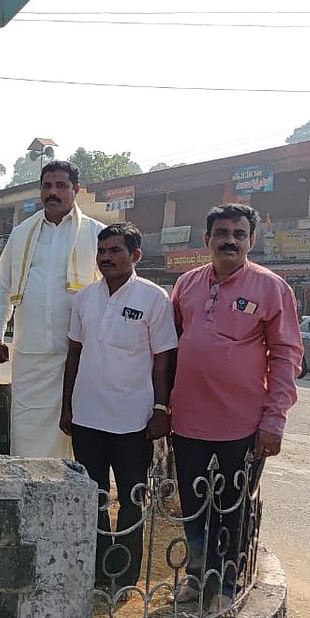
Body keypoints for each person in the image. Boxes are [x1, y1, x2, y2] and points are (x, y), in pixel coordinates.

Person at [169, 203, 302, 609]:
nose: (230, 240)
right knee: (192, 506)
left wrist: (273, 421)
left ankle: (226, 585)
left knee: (233, 508)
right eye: (222, 232)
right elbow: (170, 347)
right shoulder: (187, 284)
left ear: (251, 240)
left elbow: (286, 355)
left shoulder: (271, 287)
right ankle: (195, 578)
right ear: (207, 240)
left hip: (243, 423)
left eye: (239, 233)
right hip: (187, 419)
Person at [60, 223, 177, 595]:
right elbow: (74, 354)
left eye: (115, 250)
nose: (107, 257)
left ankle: (123, 577)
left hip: (133, 420)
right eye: (102, 251)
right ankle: (96, 570)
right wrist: (67, 408)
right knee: (92, 497)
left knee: (131, 498)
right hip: (87, 416)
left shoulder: (154, 298)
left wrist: (161, 408)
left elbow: (163, 360)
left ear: (135, 255)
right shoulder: (84, 298)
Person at [0, 160, 104, 458]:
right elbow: (2, 287)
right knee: (26, 429)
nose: (52, 193)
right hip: (31, 355)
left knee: (74, 431)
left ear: (75, 190)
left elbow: (111, 294)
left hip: (79, 355)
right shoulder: (21, 234)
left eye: (61, 186)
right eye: (47, 186)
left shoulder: (98, 235)